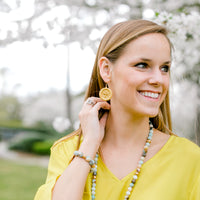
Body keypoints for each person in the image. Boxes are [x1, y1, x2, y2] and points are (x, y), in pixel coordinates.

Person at [34, 19, 200, 200]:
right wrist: (90, 144)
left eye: (164, 68)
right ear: (106, 69)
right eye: (143, 65)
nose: (158, 79)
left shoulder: (189, 159)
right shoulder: (67, 150)